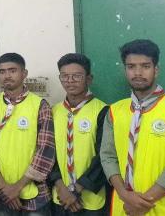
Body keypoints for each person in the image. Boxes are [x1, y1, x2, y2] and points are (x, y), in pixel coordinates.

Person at [100, 39, 165, 215]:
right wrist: (125, 196)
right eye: (131, 66)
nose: (138, 72)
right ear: (125, 70)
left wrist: (141, 203)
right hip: (123, 206)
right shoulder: (114, 111)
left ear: (156, 69)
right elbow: (108, 156)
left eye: (145, 66)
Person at [0, 53, 55, 215]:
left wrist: (17, 187)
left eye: (12, 70)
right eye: (2, 72)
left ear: (24, 73)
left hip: (36, 194)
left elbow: (46, 151)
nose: (7, 75)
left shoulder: (40, 105)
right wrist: (5, 187)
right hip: (3, 192)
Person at [49, 54, 108, 215]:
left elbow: (104, 156)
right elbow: (48, 152)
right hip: (60, 196)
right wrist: (61, 187)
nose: (70, 81)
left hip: (90, 199)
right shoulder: (53, 111)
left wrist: (77, 189)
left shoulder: (103, 111)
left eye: (77, 76)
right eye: (64, 76)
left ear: (89, 79)